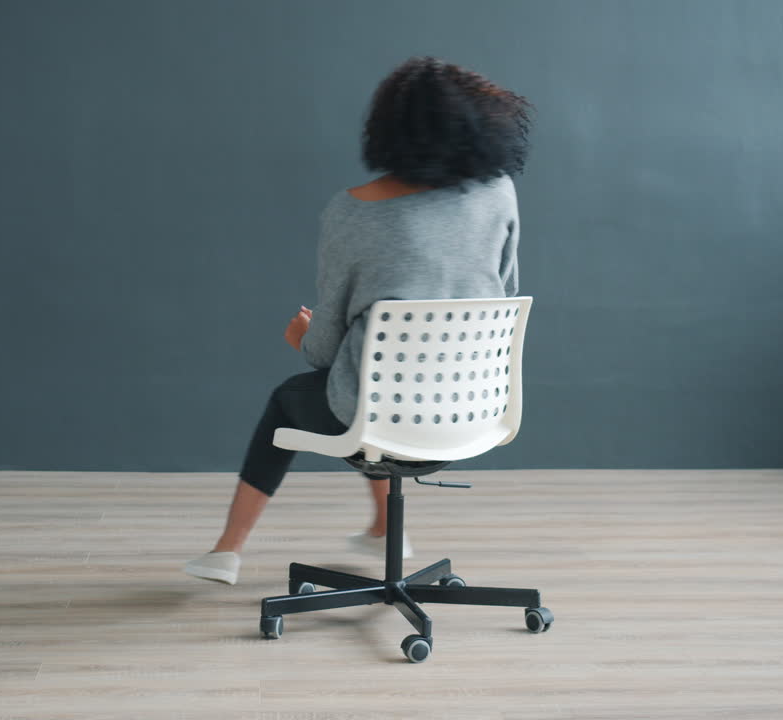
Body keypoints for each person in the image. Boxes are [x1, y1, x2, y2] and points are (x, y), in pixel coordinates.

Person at [184, 56, 533, 585]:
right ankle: (382, 528)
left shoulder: (354, 212)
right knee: (371, 391)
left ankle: (226, 551)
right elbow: (501, 298)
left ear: (389, 128)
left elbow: (325, 353)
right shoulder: (498, 193)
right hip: (473, 411)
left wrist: (302, 335)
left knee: (298, 396)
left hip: (383, 418)